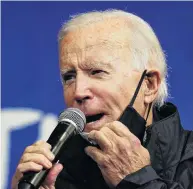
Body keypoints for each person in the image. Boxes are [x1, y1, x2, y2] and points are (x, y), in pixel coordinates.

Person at [11, 9, 193, 189]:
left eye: (97, 72)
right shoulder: (52, 175)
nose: (78, 92)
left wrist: (138, 180)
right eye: (69, 77)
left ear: (149, 85)